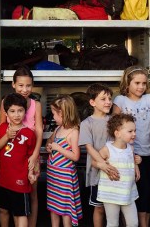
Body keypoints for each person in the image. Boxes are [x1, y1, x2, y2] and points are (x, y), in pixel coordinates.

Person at [112, 65, 150, 227]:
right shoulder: (120, 100)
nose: (141, 87)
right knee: (131, 192)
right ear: (127, 84)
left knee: (148, 191)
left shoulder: (149, 99)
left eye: (144, 83)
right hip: (130, 154)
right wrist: (125, 151)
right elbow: (115, 127)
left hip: (148, 153)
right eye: (137, 83)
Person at [0, 65, 43, 227]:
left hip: (30, 155)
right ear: (13, 85)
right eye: (21, 85)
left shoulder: (35, 104)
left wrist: (35, 156)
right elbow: (1, 127)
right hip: (11, 156)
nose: (25, 89)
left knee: (32, 194)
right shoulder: (6, 102)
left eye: (28, 85)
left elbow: (38, 130)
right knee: (9, 194)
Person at [0, 93, 37, 227]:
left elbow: (32, 158)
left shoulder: (29, 133)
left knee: (21, 213)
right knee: (3, 210)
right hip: (4, 180)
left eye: (20, 111)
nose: (16, 115)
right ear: (6, 113)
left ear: (25, 111)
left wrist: (31, 173)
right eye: (12, 111)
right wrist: (6, 136)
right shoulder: (2, 129)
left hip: (20, 181)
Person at [78, 83, 118, 227]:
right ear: (92, 102)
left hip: (115, 169)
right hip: (98, 171)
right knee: (99, 207)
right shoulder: (86, 123)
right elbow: (89, 148)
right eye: (103, 99)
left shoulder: (114, 121)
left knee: (115, 207)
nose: (108, 102)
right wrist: (103, 164)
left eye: (109, 98)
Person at [45, 95, 83, 227]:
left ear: (62, 113)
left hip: (65, 178)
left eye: (55, 114)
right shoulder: (58, 129)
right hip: (54, 176)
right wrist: (50, 146)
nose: (53, 117)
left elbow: (75, 156)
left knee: (65, 208)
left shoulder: (73, 132)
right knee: (54, 206)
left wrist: (58, 148)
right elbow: (50, 141)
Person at [97, 114, 140, 227]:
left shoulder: (130, 148)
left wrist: (137, 163)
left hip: (127, 192)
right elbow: (94, 162)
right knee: (112, 223)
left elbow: (131, 161)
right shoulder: (107, 149)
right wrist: (103, 166)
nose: (134, 134)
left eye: (135, 131)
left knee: (133, 223)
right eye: (130, 131)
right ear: (117, 133)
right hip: (111, 193)